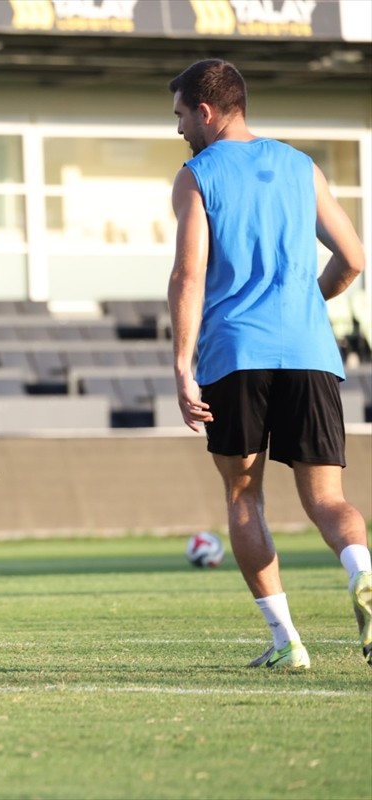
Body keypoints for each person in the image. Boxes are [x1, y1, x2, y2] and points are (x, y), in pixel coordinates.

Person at [166, 59, 371, 669]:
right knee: (328, 499)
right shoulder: (302, 167)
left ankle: (287, 643)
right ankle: (362, 570)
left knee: (243, 496)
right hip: (310, 352)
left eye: (180, 115)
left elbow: (188, 276)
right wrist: (309, 301)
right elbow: (353, 258)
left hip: (236, 355)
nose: (178, 128)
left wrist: (181, 366)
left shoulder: (197, 175)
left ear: (206, 112)